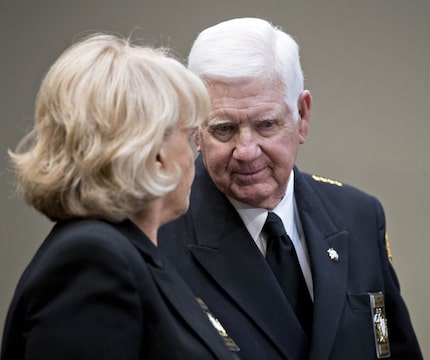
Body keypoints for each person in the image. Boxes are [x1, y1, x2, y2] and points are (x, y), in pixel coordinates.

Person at [158, 17, 423, 359]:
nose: (247, 151)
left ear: (302, 115)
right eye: (224, 129)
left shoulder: (357, 217)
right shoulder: (159, 234)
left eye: (266, 124)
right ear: (196, 130)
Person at [0, 33, 238, 360]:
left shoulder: (132, 252)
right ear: (155, 154)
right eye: (186, 136)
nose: (192, 155)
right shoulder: (94, 261)